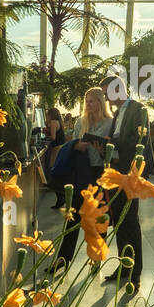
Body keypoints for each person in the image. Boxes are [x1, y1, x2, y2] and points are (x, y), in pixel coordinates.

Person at [99, 73, 154, 299]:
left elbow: (138, 141)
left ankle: (136, 273)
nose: (106, 98)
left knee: (130, 220)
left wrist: (112, 144)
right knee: (120, 220)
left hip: (131, 172)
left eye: (107, 93)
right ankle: (125, 265)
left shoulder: (138, 109)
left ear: (116, 89)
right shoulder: (119, 112)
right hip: (118, 172)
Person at [53, 89, 114, 269]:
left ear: (101, 103)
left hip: (100, 173)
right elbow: (74, 144)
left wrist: (103, 149)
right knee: (73, 215)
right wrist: (80, 145)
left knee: (99, 217)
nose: (88, 105)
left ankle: (96, 259)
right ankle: (63, 259)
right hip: (82, 172)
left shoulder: (110, 123)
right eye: (87, 101)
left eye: (92, 101)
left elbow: (111, 152)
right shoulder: (81, 122)